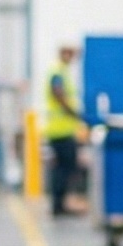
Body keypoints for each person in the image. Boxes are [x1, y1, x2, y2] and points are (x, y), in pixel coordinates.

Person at [42, 43, 88, 217]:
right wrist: (74, 113)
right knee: (64, 169)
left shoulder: (62, 71)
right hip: (60, 130)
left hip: (64, 129)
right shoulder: (57, 71)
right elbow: (58, 94)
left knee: (65, 168)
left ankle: (60, 204)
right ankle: (58, 205)